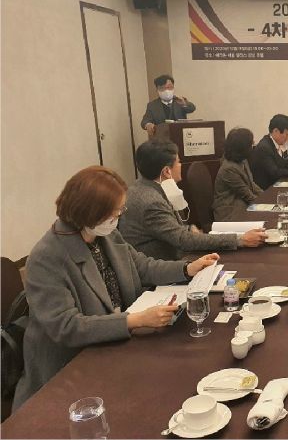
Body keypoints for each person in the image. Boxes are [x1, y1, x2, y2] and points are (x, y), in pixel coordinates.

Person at [13, 166, 219, 409]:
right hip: (69, 374)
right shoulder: (46, 257)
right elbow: (67, 326)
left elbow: (143, 266)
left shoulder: (106, 235)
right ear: (89, 212)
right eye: (114, 212)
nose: (118, 216)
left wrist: (187, 269)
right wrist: (135, 320)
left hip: (116, 348)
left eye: (120, 210)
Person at [119, 140, 265, 261]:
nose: (180, 165)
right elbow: (184, 240)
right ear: (166, 171)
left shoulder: (141, 186)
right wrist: (240, 240)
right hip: (164, 266)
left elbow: (169, 229)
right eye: (178, 162)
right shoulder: (151, 202)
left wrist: (188, 229)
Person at [213, 128, 263, 221]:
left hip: (242, 206)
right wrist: (266, 204)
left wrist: (266, 196)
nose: (253, 145)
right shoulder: (229, 169)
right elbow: (247, 195)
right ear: (242, 148)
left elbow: (251, 184)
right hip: (230, 213)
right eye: (250, 144)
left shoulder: (243, 160)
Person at [249, 114, 288, 190]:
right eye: (287, 134)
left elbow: (285, 164)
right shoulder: (264, 148)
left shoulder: (275, 144)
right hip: (266, 191)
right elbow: (275, 173)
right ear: (276, 131)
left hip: (276, 186)